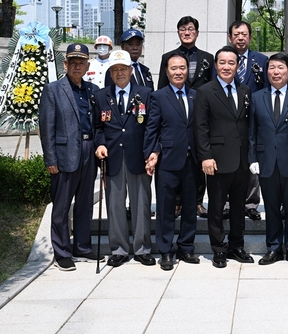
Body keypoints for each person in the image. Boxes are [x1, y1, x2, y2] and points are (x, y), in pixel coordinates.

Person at [39, 43, 100, 271]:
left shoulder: (93, 91)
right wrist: (50, 159)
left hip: (88, 151)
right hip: (65, 155)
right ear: (65, 64)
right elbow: (47, 127)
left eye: (81, 62)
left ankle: (82, 247)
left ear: (87, 65)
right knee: (62, 206)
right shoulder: (53, 90)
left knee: (85, 203)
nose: (77, 66)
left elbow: (98, 124)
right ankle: (62, 252)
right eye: (72, 62)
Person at [193, 46, 255, 269]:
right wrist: (205, 156)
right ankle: (218, 249)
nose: (227, 66)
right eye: (222, 62)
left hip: (241, 160)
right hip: (216, 161)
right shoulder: (205, 91)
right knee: (217, 208)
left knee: (239, 206)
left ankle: (236, 246)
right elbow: (200, 127)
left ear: (237, 66)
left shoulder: (245, 90)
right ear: (216, 65)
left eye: (231, 63)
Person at [248, 53, 288, 267]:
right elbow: (252, 132)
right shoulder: (257, 97)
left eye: (280, 67)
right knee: (272, 207)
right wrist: (253, 158)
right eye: (272, 68)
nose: (276, 72)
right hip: (266, 161)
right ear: (267, 72)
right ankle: (274, 247)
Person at [92, 50, 155, 267]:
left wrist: (151, 153)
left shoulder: (145, 94)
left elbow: (151, 128)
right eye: (115, 69)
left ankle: (142, 249)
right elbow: (98, 127)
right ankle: (118, 249)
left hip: (139, 157)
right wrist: (99, 144)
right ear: (110, 72)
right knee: (115, 205)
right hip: (113, 157)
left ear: (130, 70)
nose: (119, 73)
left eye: (123, 69)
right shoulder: (101, 96)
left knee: (141, 205)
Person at [143, 53, 199, 270]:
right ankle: (166, 251)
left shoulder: (196, 95)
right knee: (166, 207)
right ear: (167, 72)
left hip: (192, 160)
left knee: (189, 206)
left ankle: (186, 247)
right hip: (167, 160)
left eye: (182, 68)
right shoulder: (158, 96)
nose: (178, 72)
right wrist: (152, 152)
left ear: (187, 71)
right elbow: (152, 128)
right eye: (174, 68)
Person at [157, 16, 215, 219]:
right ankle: (177, 203)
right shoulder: (168, 57)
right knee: (177, 158)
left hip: (199, 113)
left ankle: (198, 201)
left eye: (191, 29)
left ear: (197, 33)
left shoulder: (208, 58)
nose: (187, 32)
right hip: (175, 113)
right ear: (178, 33)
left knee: (199, 159)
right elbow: (162, 87)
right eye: (183, 29)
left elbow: (212, 87)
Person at [228, 20, 268, 221]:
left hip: (254, 117)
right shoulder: (223, 58)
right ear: (230, 37)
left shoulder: (261, 60)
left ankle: (251, 203)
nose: (240, 38)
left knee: (252, 159)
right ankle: (228, 203)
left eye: (244, 34)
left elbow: (268, 89)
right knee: (228, 159)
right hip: (228, 118)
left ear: (250, 37)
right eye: (236, 34)